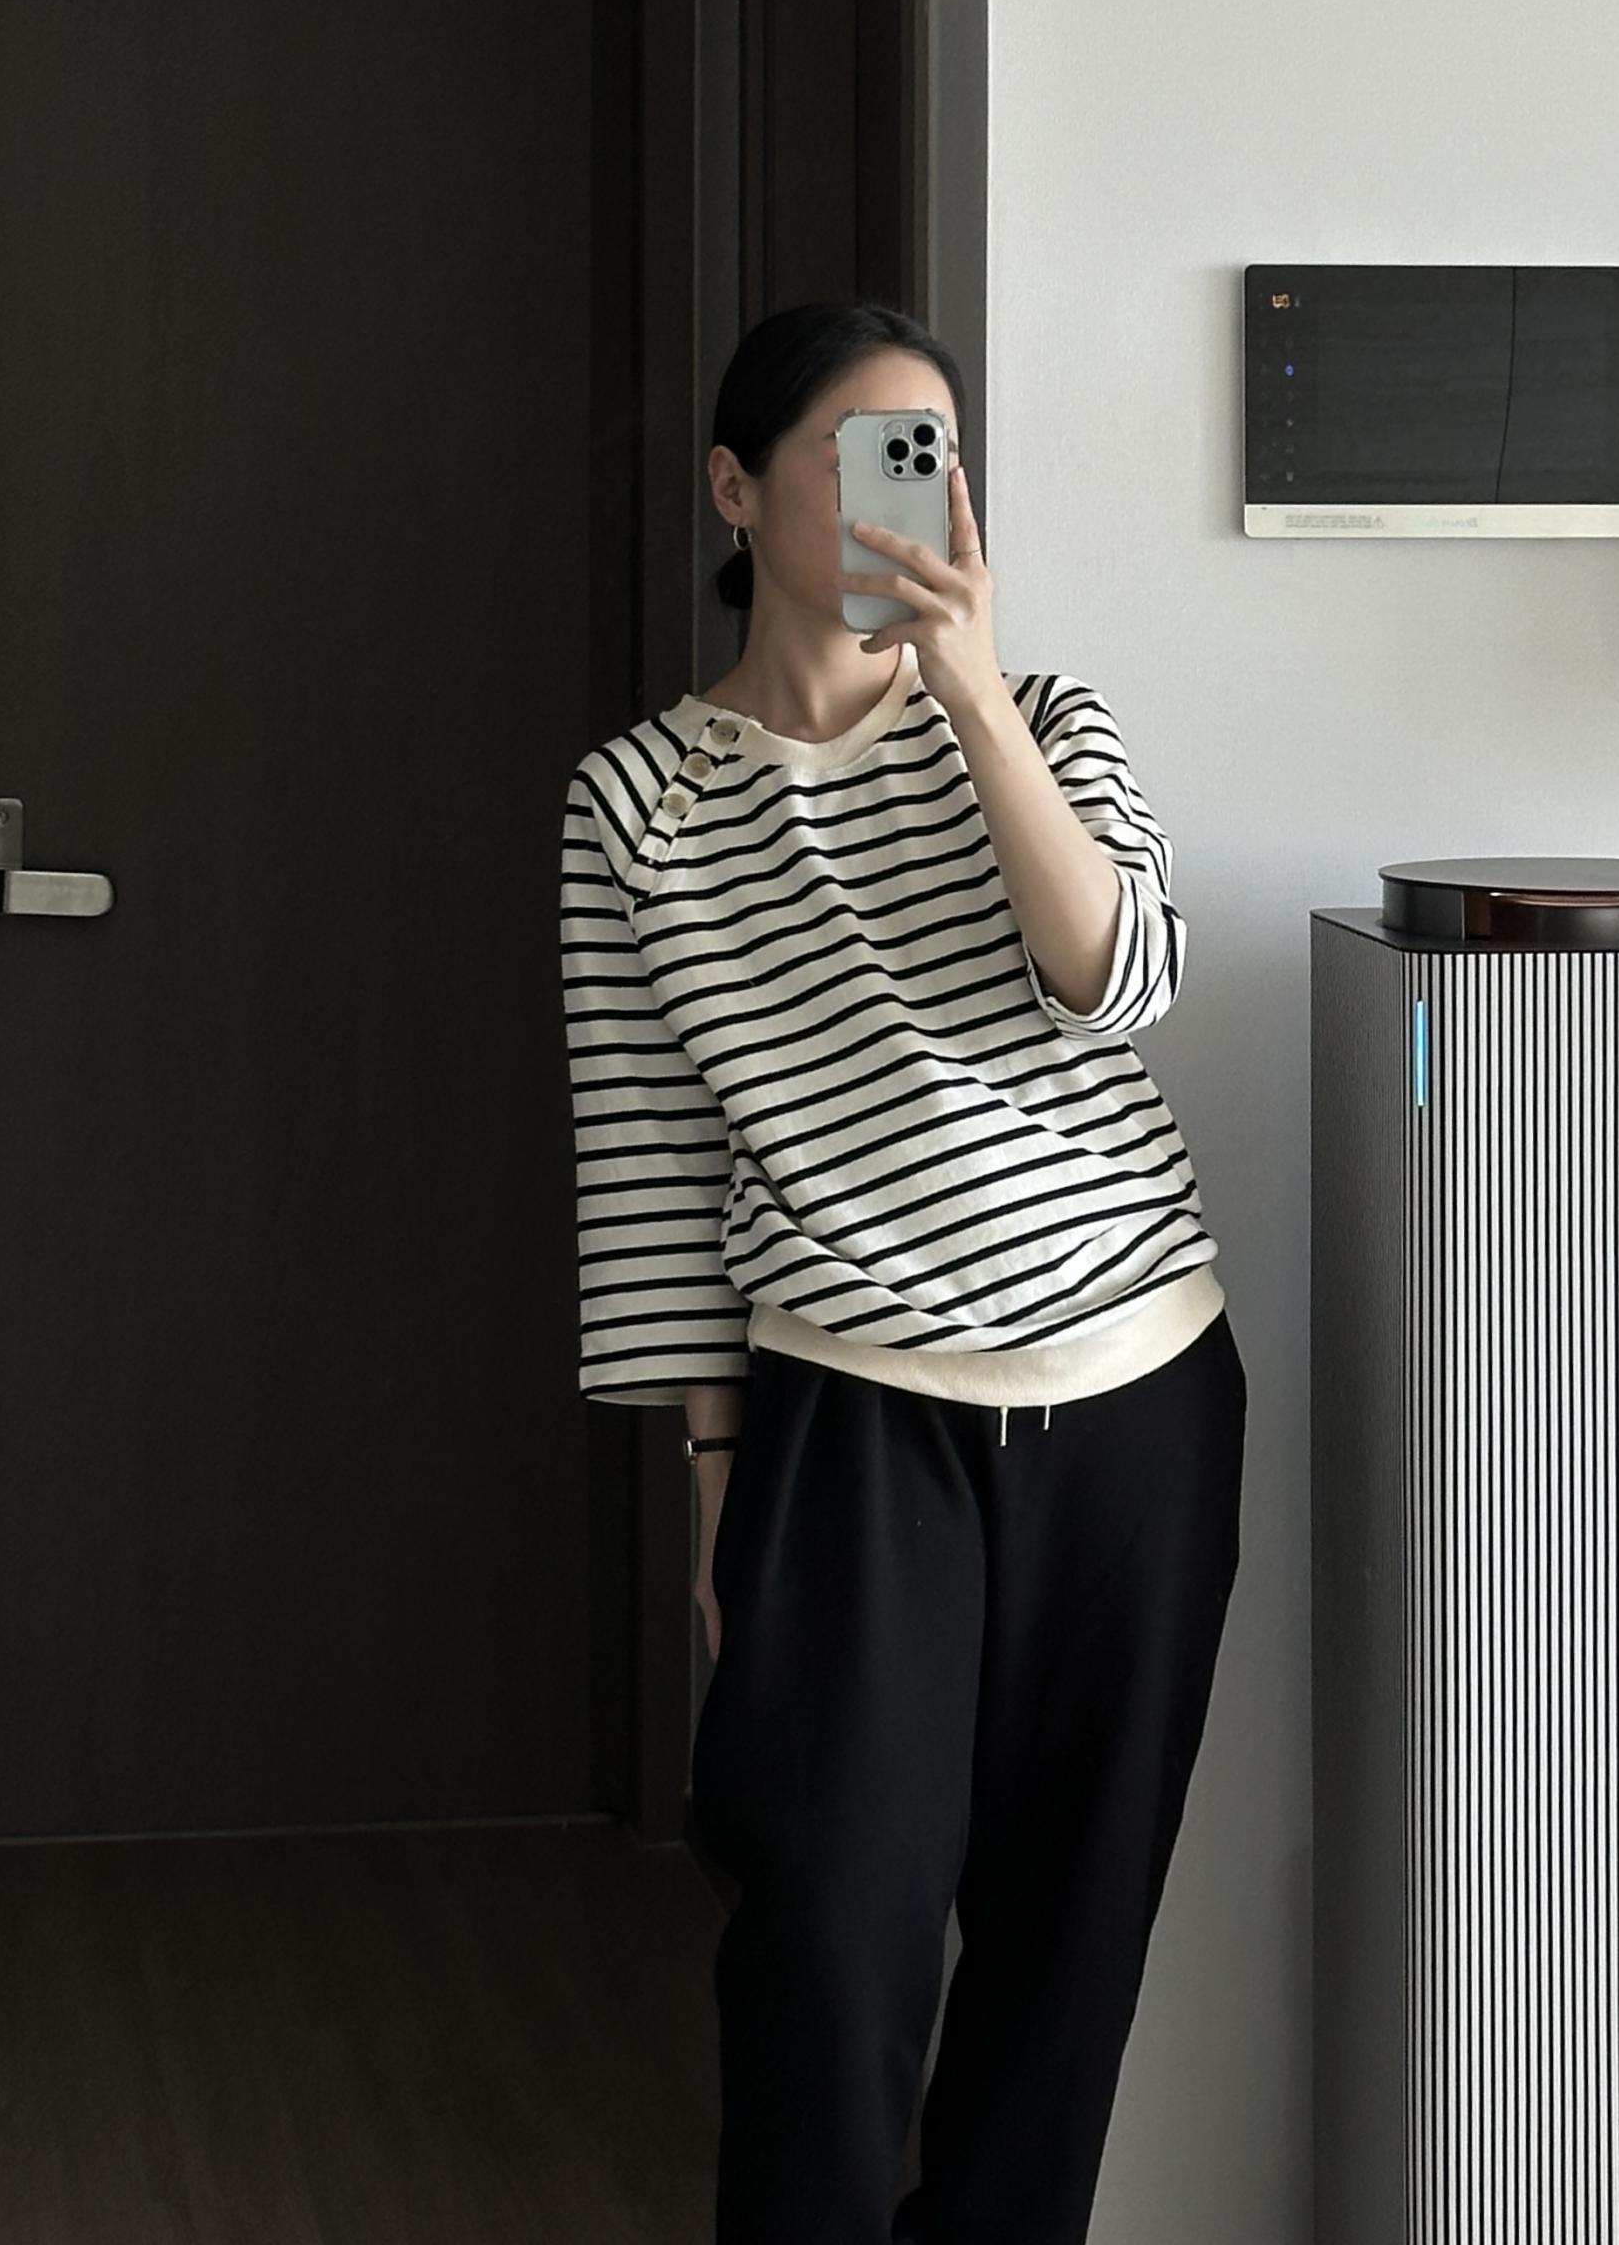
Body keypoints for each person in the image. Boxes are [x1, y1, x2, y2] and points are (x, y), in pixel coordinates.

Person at [557, 300, 1247, 2245]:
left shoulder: (1043, 716)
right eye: (866, 453)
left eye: (934, 457)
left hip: (1137, 1397)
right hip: (851, 1419)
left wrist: (976, 695)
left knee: (1065, 1951)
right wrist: (718, 1484)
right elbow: (651, 1166)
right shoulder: (635, 802)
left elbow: (1121, 977)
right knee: (827, 1953)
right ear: (735, 486)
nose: (909, 499)